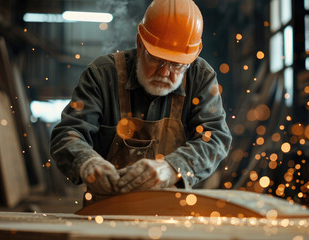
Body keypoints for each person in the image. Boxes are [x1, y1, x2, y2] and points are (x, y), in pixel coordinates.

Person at [50, 0, 232, 206]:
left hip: (173, 211)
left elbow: (215, 138)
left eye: (177, 65)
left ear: (191, 59)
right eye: (156, 59)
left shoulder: (201, 77)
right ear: (140, 44)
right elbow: (67, 134)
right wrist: (87, 162)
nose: (165, 72)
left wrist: (173, 167)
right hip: (106, 209)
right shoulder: (102, 74)